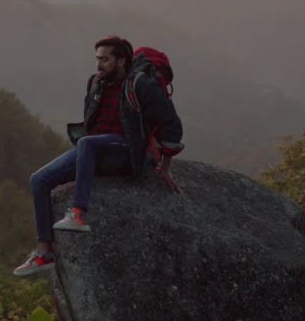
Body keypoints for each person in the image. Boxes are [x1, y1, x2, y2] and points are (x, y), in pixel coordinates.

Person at [13, 36, 184, 276]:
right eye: (97, 59)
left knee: (87, 143)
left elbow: (171, 126)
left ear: (121, 61)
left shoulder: (140, 84)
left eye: (105, 59)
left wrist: (165, 165)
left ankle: (79, 213)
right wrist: (82, 165)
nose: (98, 65)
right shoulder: (95, 83)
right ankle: (45, 252)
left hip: (127, 152)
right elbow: (91, 125)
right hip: (94, 149)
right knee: (38, 180)